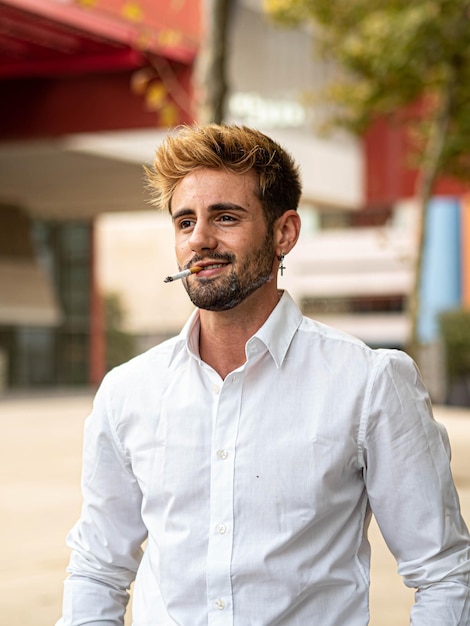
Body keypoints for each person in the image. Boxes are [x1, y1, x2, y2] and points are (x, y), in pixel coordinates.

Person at [57, 124, 470, 626]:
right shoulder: (128, 392)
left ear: (284, 233)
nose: (200, 240)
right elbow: (98, 570)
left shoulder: (369, 383)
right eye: (184, 222)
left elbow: (445, 572)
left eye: (225, 217)